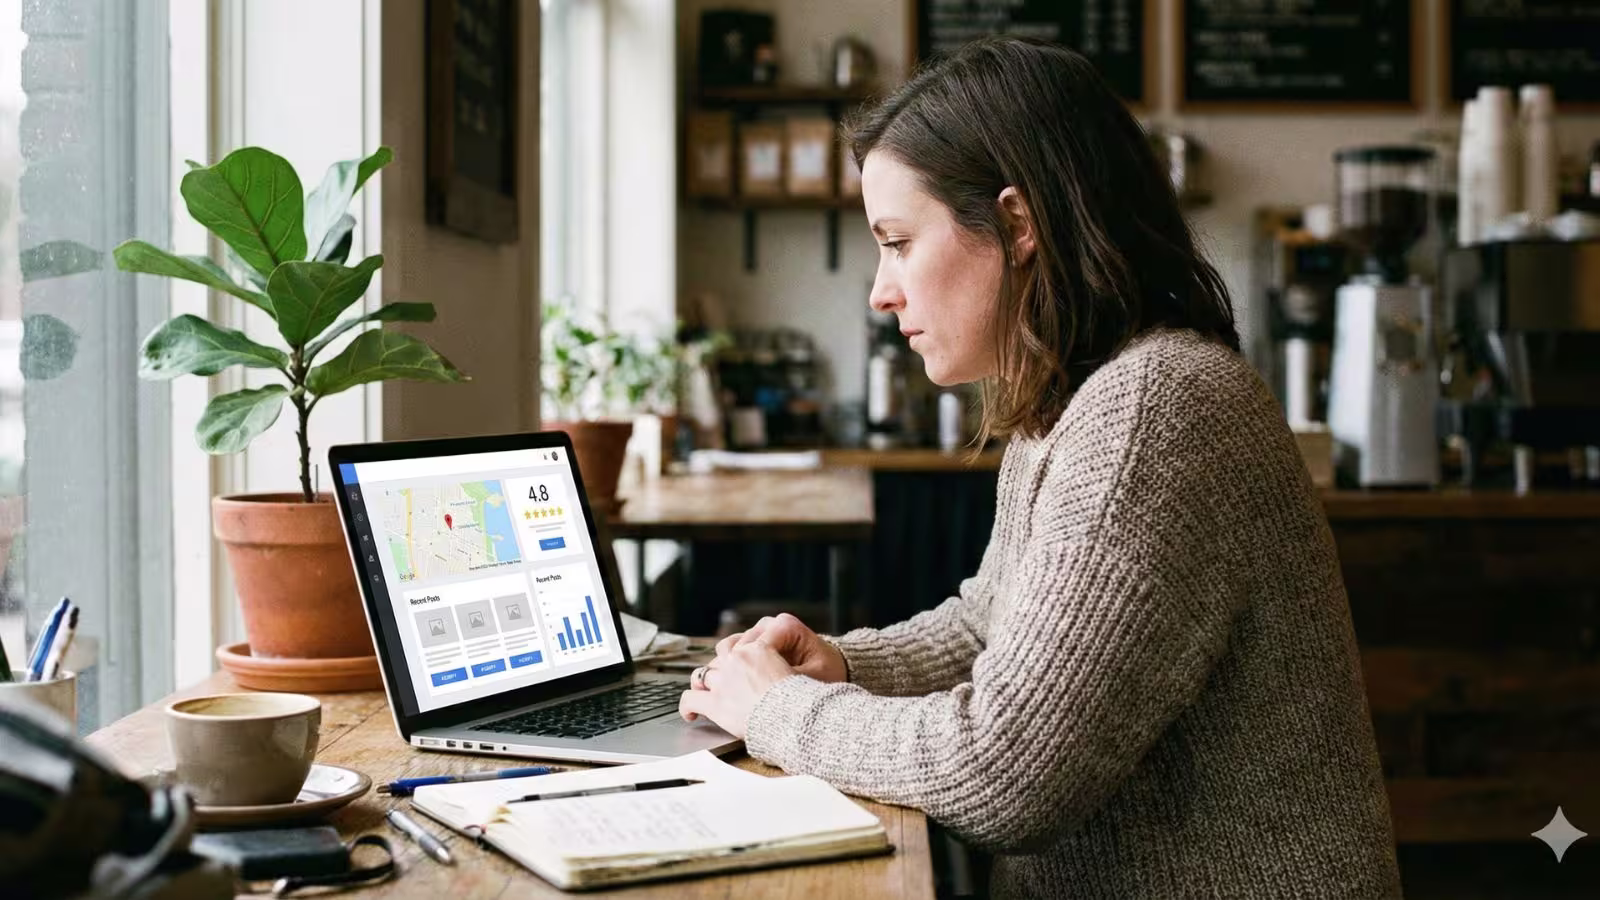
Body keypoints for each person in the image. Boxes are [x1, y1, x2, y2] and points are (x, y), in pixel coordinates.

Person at [678, 37, 1400, 898]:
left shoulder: (1152, 409)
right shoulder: (1075, 396)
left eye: (899, 242)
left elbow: (1005, 774)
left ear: (1017, 225)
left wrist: (778, 712)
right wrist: (843, 664)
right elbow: (991, 627)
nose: (881, 291)